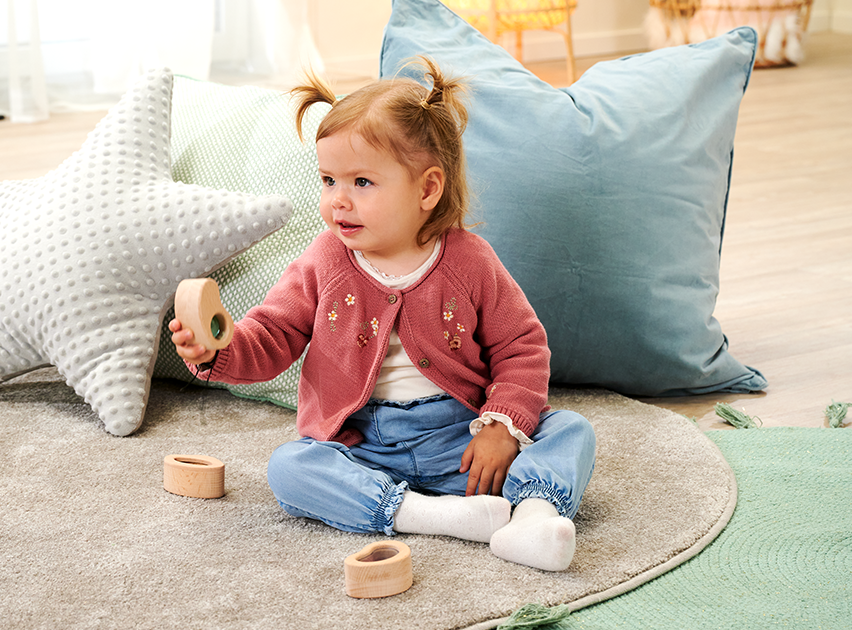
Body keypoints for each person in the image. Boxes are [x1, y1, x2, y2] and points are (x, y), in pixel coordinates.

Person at [169, 57, 596, 572]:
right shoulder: (325, 259)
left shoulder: (469, 259)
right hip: (363, 445)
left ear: (427, 189)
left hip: (462, 441)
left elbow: (521, 346)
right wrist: (218, 349)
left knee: (570, 430)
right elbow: (273, 333)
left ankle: (532, 515)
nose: (337, 201)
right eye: (328, 180)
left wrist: (501, 427)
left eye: (362, 183)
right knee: (289, 468)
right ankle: (430, 515)